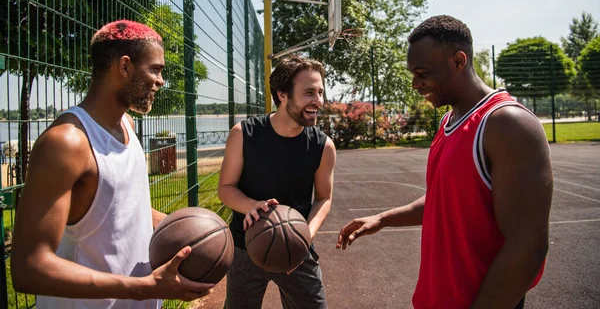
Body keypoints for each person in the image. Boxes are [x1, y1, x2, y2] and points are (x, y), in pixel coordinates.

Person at [336, 15, 553, 309]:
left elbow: (527, 248)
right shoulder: (449, 121)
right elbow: (446, 199)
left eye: (422, 73)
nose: (415, 83)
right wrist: (383, 219)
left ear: (459, 61)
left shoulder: (507, 124)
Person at [11, 20, 214, 308]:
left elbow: (125, 210)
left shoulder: (127, 125)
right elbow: (30, 268)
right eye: (155, 69)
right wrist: (143, 288)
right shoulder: (67, 143)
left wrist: (199, 232)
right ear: (125, 67)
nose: (161, 81)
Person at [218, 55, 336, 309]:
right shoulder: (244, 134)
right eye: (308, 93)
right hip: (246, 247)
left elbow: (324, 198)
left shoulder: (323, 145)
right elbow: (226, 189)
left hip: (297, 251)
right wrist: (250, 205)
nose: (318, 101)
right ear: (282, 95)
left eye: (320, 92)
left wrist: (303, 237)